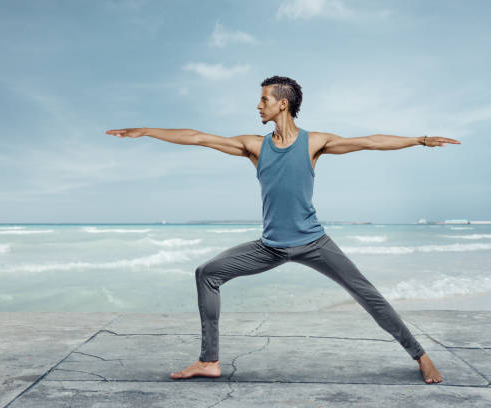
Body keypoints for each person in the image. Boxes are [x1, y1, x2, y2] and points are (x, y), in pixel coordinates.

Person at [106, 75, 460, 384]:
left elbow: (369, 141)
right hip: (270, 247)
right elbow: (198, 137)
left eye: (264, 99)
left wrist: (420, 139)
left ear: (283, 104)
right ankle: (209, 361)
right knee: (207, 273)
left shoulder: (315, 142)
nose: (258, 106)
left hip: (314, 242)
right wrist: (148, 131)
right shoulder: (255, 146)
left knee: (368, 295)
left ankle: (420, 356)